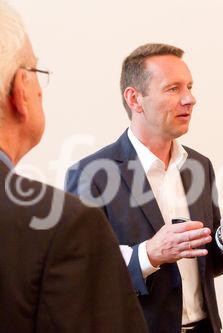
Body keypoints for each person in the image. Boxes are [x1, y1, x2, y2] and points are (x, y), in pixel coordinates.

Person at [65, 43, 223, 333]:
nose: (190, 99)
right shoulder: (91, 174)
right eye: (173, 88)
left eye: (189, 86)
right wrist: (150, 253)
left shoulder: (198, 165)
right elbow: (84, 275)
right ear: (135, 99)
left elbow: (204, 265)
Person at [0, 2, 147, 332]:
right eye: (36, 73)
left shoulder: (200, 166)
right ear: (20, 91)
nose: (188, 100)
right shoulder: (65, 224)